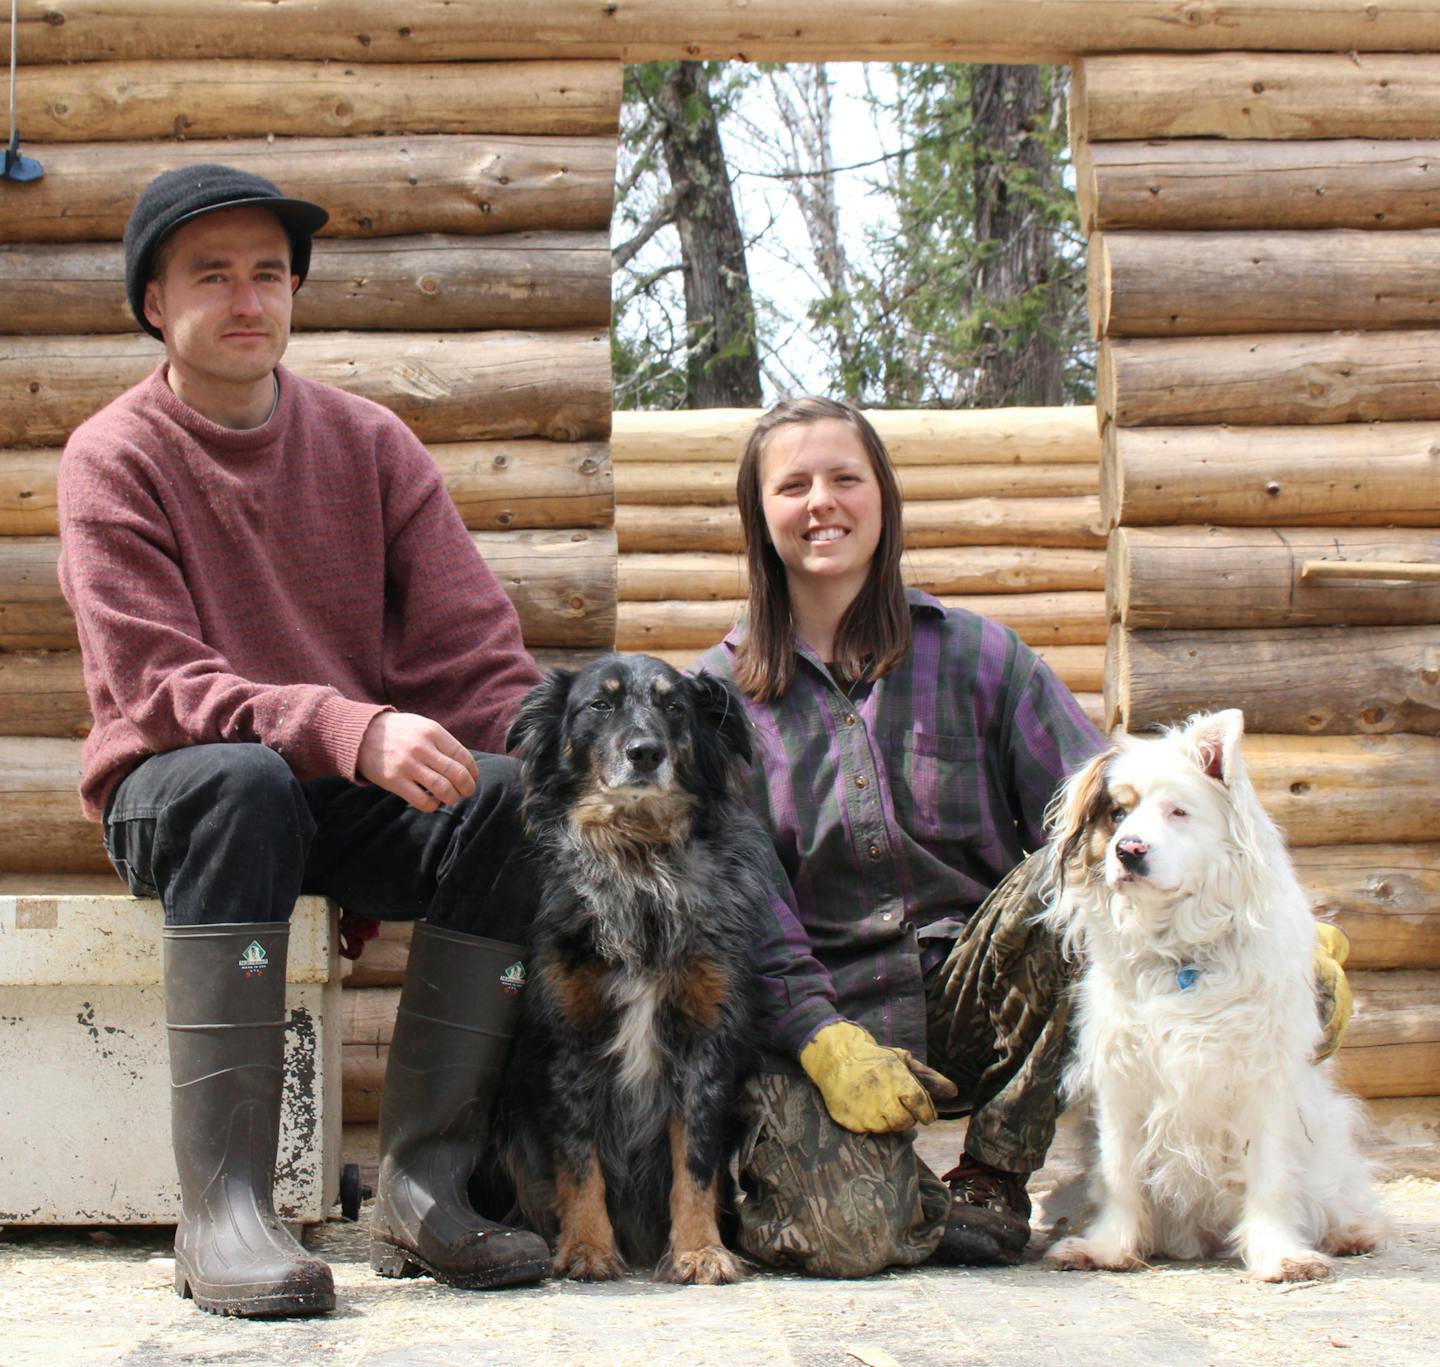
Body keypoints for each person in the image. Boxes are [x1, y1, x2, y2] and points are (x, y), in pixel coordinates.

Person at [698, 396, 1356, 1279]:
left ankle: (991, 1174)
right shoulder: (717, 697)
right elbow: (743, 908)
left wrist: (1280, 938)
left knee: (1071, 866)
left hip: (978, 993)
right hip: (825, 1014)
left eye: (846, 478)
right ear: (760, 512)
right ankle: (874, 1191)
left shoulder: (981, 657)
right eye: (794, 484)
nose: (822, 501)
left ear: (883, 501)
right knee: (849, 1237)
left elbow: (1124, 809)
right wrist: (817, 1034)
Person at [56, 164, 551, 1318]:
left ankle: (425, 1183)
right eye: (211, 275)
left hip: (329, 779)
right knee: (244, 779)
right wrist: (346, 724)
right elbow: (159, 685)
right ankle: (226, 1206)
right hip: (177, 789)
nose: (247, 299)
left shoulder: (370, 444)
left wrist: (562, 769)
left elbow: (474, 654)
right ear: (153, 303)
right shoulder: (111, 454)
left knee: (517, 797)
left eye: (269, 274)